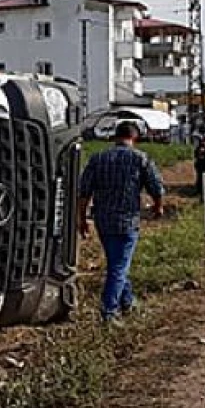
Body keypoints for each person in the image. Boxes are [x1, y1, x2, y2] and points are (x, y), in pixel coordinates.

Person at [78, 122, 166, 323]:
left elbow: (83, 193)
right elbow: (156, 187)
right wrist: (158, 207)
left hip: (103, 220)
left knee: (116, 263)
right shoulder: (140, 158)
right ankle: (109, 311)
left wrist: (82, 219)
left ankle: (128, 301)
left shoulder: (98, 159)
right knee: (119, 266)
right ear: (134, 138)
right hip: (127, 220)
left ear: (115, 137)